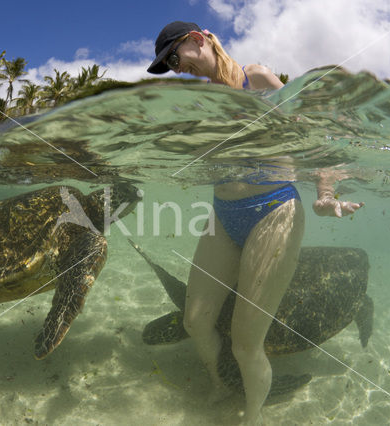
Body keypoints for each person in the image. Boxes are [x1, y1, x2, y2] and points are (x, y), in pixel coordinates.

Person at [148, 21, 364, 424]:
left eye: (174, 58)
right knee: (194, 321)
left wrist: (325, 193)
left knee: (247, 346)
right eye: (169, 66)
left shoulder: (257, 78)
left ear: (199, 39)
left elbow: (310, 141)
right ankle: (218, 383)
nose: (176, 69)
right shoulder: (201, 105)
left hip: (274, 208)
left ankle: (252, 416)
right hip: (223, 212)